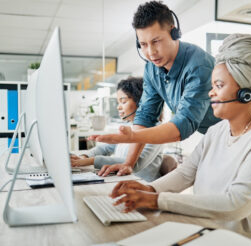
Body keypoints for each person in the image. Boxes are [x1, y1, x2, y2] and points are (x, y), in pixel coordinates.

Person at [108, 34, 251, 245]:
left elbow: (235, 205)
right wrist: (149, 190)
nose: (210, 92)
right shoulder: (217, 131)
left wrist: (157, 200)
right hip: (211, 231)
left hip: (250, 240)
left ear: (246, 92)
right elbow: (187, 172)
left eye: (219, 85)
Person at [89, 1, 220, 177]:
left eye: (156, 41)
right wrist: (128, 163)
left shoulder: (198, 65)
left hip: (243, 131)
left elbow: (183, 125)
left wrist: (132, 137)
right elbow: (145, 115)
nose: (150, 52)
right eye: (143, 44)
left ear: (174, 32)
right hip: (216, 135)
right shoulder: (152, 68)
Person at [70, 77, 163, 182]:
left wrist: (90, 161)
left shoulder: (156, 131)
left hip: (142, 186)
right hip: (123, 181)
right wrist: (84, 156)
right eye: (118, 102)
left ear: (140, 103)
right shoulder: (129, 127)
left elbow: (135, 165)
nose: (118, 107)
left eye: (123, 102)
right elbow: (106, 148)